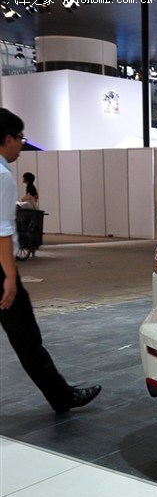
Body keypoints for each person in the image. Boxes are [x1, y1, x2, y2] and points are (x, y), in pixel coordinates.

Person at [0, 108, 102, 413]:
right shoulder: (2, 177)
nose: (22, 144)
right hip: (0, 270)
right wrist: (9, 276)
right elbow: (2, 232)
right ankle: (62, 397)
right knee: (26, 338)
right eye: (20, 138)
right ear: (6, 139)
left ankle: (61, 395)